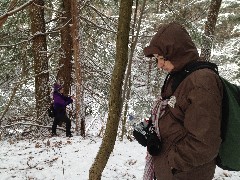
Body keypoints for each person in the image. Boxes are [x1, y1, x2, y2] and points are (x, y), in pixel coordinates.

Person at [142, 22, 223, 180]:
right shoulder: (181, 75)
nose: (159, 65)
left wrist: (169, 159)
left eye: (162, 58)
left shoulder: (201, 82)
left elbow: (205, 143)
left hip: (187, 173)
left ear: (177, 53)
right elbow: (174, 116)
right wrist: (151, 132)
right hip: (172, 171)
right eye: (157, 59)